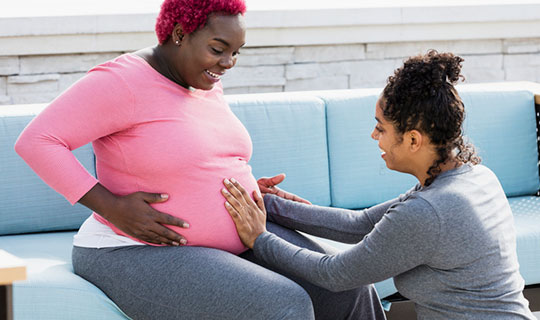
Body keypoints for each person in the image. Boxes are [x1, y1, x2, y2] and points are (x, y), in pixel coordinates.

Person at [14, 0, 386, 319]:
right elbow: (38, 141)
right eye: (218, 48)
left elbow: (195, 155)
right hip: (133, 251)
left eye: (236, 51)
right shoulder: (122, 81)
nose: (228, 62)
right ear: (179, 33)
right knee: (283, 305)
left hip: (230, 239)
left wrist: (243, 187)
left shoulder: (201, 79)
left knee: (348, 285)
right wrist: (111, 206)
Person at [222, 50, 537, 320]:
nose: (375, 137)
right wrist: (270, 205)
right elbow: (361, 223)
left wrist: (260, 238)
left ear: (413, 139)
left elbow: (333, 274)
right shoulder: (472, 177)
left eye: (380, 128)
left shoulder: (430, 211)